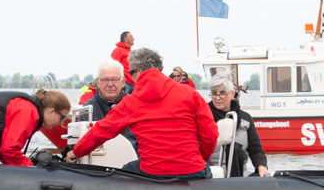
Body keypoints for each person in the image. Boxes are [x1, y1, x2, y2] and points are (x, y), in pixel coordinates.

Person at [66, 48, 218, 180]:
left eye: (131, 73)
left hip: (152, 173)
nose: (131, 78)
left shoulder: (131, 102)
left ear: (138, 71)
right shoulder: (190, 93)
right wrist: (201, 157)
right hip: (193, 171)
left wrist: (76, 152)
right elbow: (210, 133)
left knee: (122, 172)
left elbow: (101, 131)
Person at [207, 73, 268, 177]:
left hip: (240, 174)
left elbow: (256, 149)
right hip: (211, 175)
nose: (217, 98)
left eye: (222, 93)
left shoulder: (245, 119)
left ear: (232, 94)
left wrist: (261, 165)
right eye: (214, 93)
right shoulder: (203, 118)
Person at [77, 59, 137, 149]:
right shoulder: (87, 111)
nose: (110, 84)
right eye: (105, 80)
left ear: (123, 82)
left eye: (114, 80)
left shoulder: (136, 106)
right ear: (98, 83)